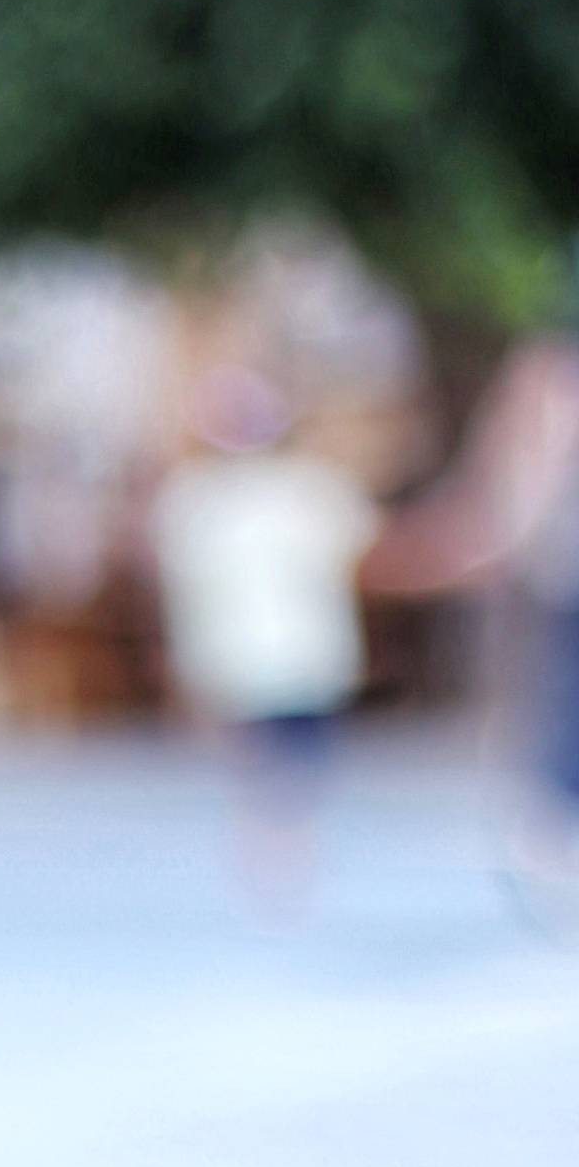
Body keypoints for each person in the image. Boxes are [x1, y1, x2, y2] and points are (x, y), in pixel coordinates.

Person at [362, 317, 579, 911]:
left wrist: (499, 540)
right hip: (563, 572)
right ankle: (550, 835)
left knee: (563, 700)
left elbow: (524, 480)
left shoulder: (550, 375)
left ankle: (550, 836)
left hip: (560, 572)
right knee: (561, 699)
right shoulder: (552, 372)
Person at [149, 373, 378, 900]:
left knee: (295, 765)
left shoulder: (306, 486)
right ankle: (271, 853)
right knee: (261, 765)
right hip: (240, 659)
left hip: (302, 656)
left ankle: (283, 851)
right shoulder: (194, 496)